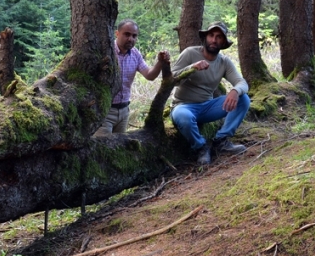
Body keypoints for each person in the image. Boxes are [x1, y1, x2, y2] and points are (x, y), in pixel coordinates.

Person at [171, 21, 250, 165]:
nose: (214, 40)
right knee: (183, 116)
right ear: (205, 37)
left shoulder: (224, 62)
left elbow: (242, 83)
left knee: (243, 98)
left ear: (223, 42)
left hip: (208, 106)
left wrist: (234, 90)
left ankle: (221, 140)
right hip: (184, 105)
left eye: (219, 37)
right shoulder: (190, 53)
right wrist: (191, 68)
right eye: (211, 35)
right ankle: (201, 147)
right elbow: (172, 79)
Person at [97, 19, 170, 135]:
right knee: (102, 149)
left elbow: (149, 75)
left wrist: (160, 62)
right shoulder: (106, 52)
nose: (130, 38)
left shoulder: (135, 54)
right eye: (126, 34)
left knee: (120, 150)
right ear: (117, 34)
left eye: (134, 36)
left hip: (124, 111)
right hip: (104, 111)